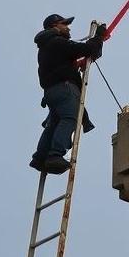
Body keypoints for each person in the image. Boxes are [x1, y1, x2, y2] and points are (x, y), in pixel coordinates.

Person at [30, 13, 105, 174]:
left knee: (54, 124)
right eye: (64, 24)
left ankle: (40, 157)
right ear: (54, 27)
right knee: (71, 118)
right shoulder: (57, 42)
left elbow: (63, 62)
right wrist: (98, 37)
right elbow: (85, 49)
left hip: (51, 92)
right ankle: (55, 155)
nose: (68, 28)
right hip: (65, 88)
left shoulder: (44, 48)